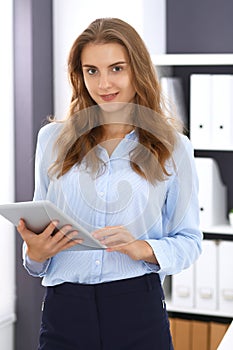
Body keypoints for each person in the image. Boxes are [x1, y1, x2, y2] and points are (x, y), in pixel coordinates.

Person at [17, 18, 202, 350]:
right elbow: (39, 224)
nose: (104, 84)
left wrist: (140, 248)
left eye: (116, 68)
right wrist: (35, 253)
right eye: (92, 71)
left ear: (138, 71)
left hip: (136, 307)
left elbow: (189, 240)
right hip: (64, 309)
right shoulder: (52, 140)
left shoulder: (173, 146)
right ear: (79, 74)